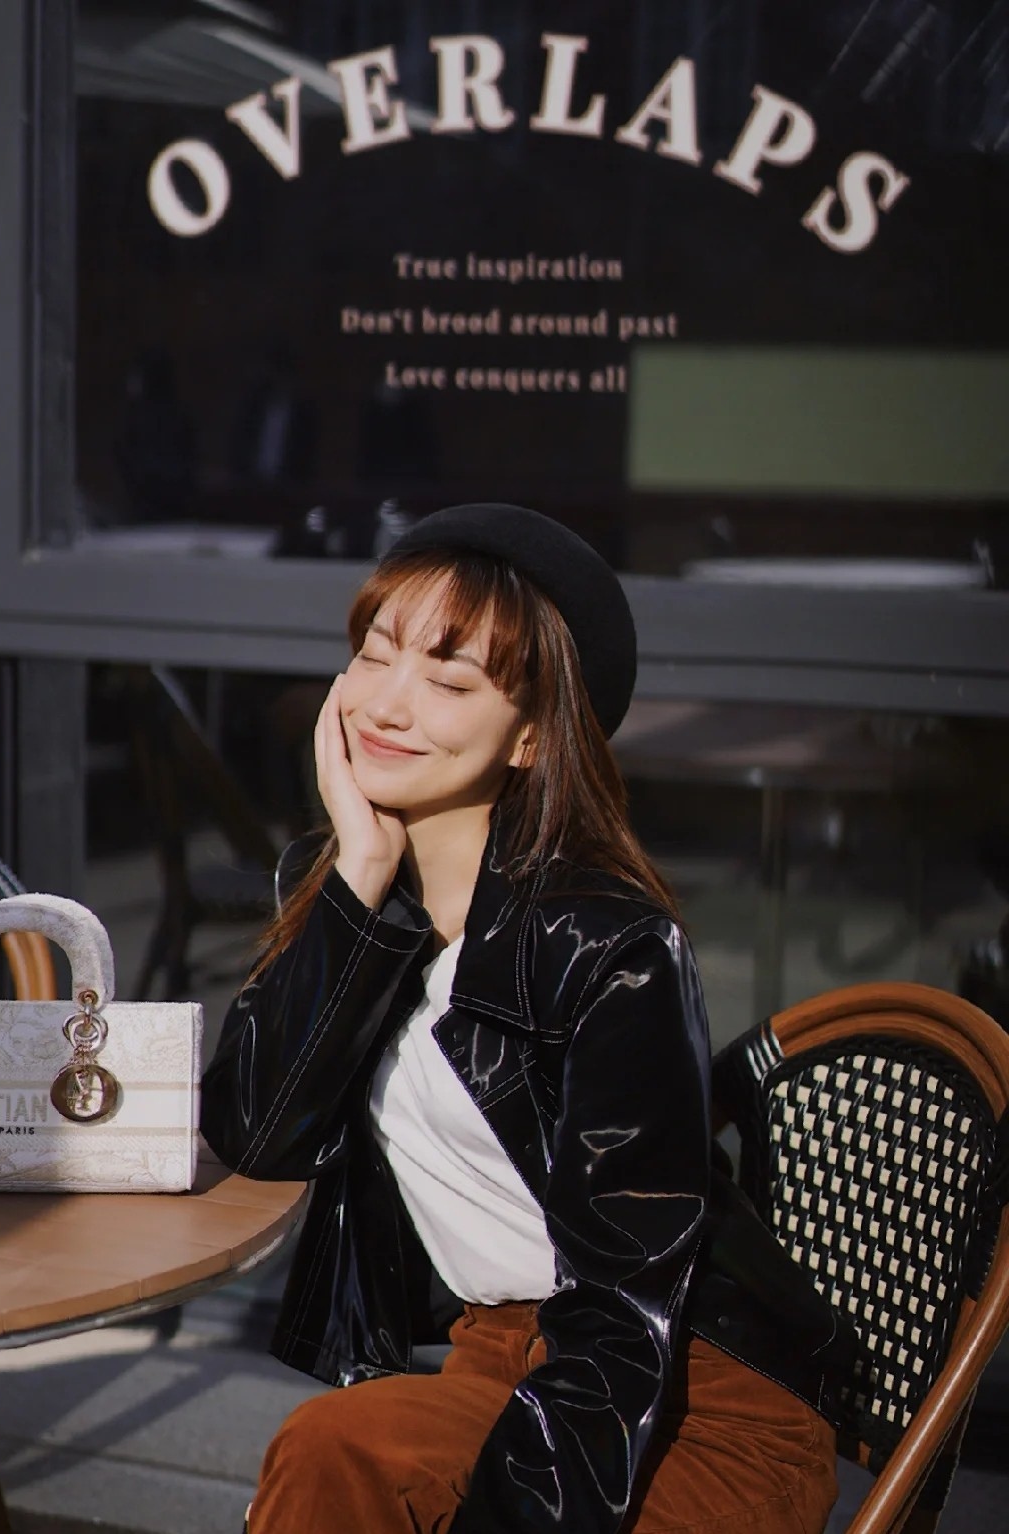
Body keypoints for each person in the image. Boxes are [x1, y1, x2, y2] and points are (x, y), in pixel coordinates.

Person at [200, 504, 857, 1533]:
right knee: (326, 1449)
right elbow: (256, 1132)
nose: (388, 704)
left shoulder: (608, 947)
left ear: (533, 735)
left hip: (683, 1398)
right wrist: (358, 873)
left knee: (345, 1463)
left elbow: (624, 1314)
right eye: (376, 654)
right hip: (497, 1360)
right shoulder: (353, 895)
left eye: (450, 680)